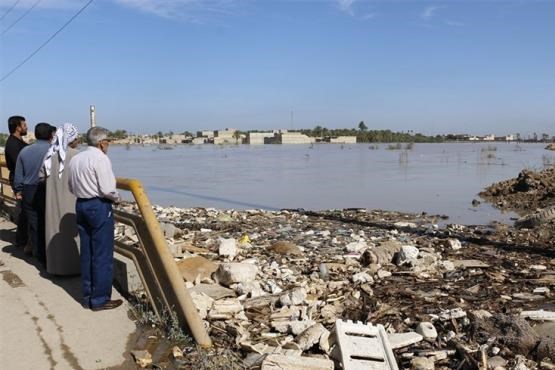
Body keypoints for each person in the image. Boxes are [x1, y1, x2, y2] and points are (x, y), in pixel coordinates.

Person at [68, 127, 122, 311]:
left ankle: (88, 295)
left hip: (81, 204)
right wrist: (117, 198)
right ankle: (100, 299)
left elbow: (71, 186)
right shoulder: (101, 158)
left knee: (87, 252)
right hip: (98, 206)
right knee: (102, 254)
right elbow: (108, 188)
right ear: (101, 143)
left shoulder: (76, 158)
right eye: (108, 142)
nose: (108, 146)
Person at [41, 123, 81, 275]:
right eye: (76, 137)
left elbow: (41, 177)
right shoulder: (76, 155)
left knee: (54, 231)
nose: (78, 140)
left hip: (52, 200)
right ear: (71, 139)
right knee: (71, 232)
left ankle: (55, 268)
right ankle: (73, 268)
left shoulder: (49, 155)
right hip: (71, 200)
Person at [13, 123, 54, 265]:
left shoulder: (24, 151)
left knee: (35, 224)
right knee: (50, 222)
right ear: (50, 135)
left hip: (29, 190)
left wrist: (19, 190)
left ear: (36, 135)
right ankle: (52, 255)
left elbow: (19, 176)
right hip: (48, 189)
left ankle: (40, 256)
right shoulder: (54, 151)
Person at [5, 116, 29, 252]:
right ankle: (21, 241)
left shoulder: (19, 141)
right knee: (23, 211)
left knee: (25, 210)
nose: (26, 127)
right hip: (19, 180)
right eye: (24, 125)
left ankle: (23, 239)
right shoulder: (12, 144)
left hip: (23, 179)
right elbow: (19, 164)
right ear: (17, 127)